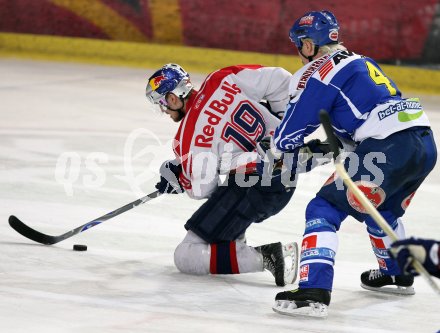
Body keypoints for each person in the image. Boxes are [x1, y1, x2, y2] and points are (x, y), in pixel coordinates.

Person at [257, 10, 437, 317]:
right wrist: (319, 151)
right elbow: (355, 127)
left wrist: (276, 149)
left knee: (323, 209)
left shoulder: (319, 72)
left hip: (388, 146)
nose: (299, 53)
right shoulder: (361, 60)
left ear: (309, 46)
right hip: (422, 143)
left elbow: (290, 132)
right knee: (382, 209)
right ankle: (396, 272)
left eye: (300, 45)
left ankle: (313, 290)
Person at [145, 63, 299, 286]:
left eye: (162, 105)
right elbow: (280, 79)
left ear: (172, 98)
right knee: (227, 209)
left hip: (256, 189)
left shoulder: (187, 138)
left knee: (186, 255)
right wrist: (283, 122)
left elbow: (202, 190)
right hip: (288, 173)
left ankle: (273, 257)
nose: (164, 111)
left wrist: (181, 179)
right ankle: (235, 240)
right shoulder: (220, 78)